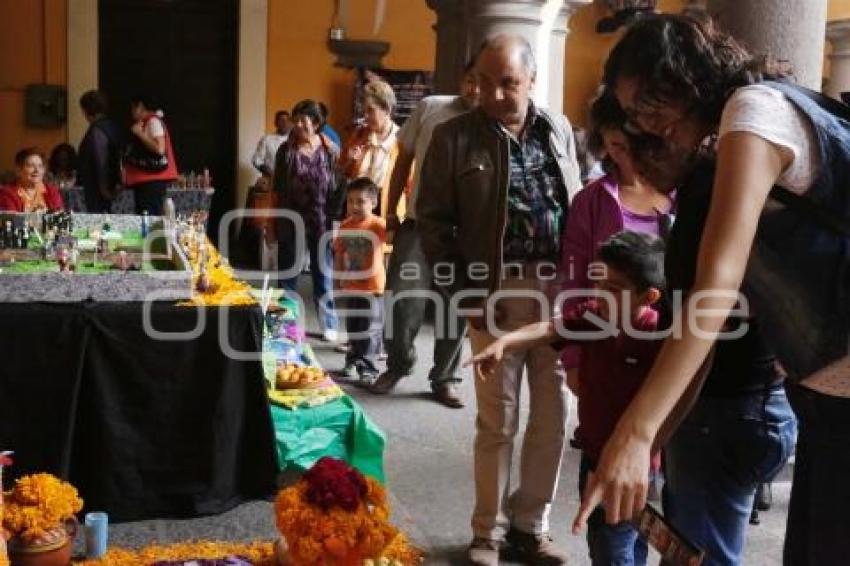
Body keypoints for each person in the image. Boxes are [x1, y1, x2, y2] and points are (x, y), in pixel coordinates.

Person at [571, 14, 807, 565]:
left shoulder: (747, 118)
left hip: (744, 406)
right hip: (763, 400)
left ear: (680, 81)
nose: (644, 131)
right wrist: (647, 441)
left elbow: (713, 297)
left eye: (644, 110)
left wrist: (636, 434)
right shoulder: (726, 147)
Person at [417, 34, 582, 566]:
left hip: (556, 292)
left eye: (507, 82)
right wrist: (463, 296)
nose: (492, 93)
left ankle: (531, 526)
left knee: (555, 415)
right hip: (495, 292)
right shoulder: (452, 138)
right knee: (498, 419)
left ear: (530, 80)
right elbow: (434, 224)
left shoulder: (558, 128)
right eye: (483, 81)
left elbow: (575, 203)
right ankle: (487, 531)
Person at [469, 231, 666, 566]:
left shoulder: (658, 335)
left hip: (636, 463)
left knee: (616, 546)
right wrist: (504, 343)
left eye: (614, 290)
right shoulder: (594, 317)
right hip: (593, 454)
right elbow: (549, 328)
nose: (601, 295)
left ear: (648, 297)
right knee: (614, 541)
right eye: (599, 284)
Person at [368, 60, 479, 408]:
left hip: (465, 233)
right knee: (402, 300)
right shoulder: (430, 107)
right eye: (471, 80)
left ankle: (444, 378)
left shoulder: (494, 120)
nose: (476, 90)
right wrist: (390, 212)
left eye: (483, 83)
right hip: (418, 225)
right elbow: (403, 161)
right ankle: (399, 364)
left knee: (454, 308)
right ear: (463, 78)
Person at [273, 99, 340, 342]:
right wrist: (272, 223)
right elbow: (277, 190)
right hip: (291, 219)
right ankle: (287, 325)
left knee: (323, 274)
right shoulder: (285, 151)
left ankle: (329, 323)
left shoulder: (330, 150)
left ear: (316, 122)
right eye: (297, 119)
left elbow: (337, 186)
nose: (299, 124)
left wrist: (337, 219)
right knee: (288, 274)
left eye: (305, 119)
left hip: (321, 220)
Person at [332, 177, 387, 385]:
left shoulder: (378, 225)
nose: (354, 206)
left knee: (370, 330)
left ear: (373, 203)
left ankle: (369, 368)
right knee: (354, 327)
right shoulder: (345, 226)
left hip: (373, 288)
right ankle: (352, 360)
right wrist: (337, 280)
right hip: (352, 286)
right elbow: (338, 254)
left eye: (361, 201)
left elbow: (392, 237)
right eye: (350, 201)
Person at [340, 80, 407, 221]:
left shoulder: (403, 141)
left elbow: (410, 185)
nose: (365, 116)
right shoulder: (358, 135)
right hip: (357, 209)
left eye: (370, 110)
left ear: (387, 110)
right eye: (364, 111)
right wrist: (349, 160)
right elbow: (341, 171)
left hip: (386, 209)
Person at [124, 95, 178, 215]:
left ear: (140, 106)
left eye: (133, 108)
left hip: (152, 181)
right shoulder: (145, 122)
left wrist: (140, 134)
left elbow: (160, 149)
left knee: (150, 218)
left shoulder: (153, 122)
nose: (131, 112)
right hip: (145, 181)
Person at [77, 90, 123, 213]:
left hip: (99, 189)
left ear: (86, 110)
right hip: (112, 184)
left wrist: (104, 189)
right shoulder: (112, 127)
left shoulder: (97, 131)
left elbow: (100, 159)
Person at [0, 148, 64, 212]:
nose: (37, 170)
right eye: (31, 166)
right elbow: (12, 219)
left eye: (40, 166)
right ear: (18, 170)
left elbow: (59, 216)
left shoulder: (52, 192)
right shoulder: (7, 193)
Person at [252, 110, 293, 179]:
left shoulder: (294, 140)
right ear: (276, 123)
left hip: (290, 182)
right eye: (282, 120)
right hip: (270, 180)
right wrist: (267, 171)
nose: (285, 123)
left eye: (287, 120)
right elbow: (256, 159)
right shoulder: (267, 139)